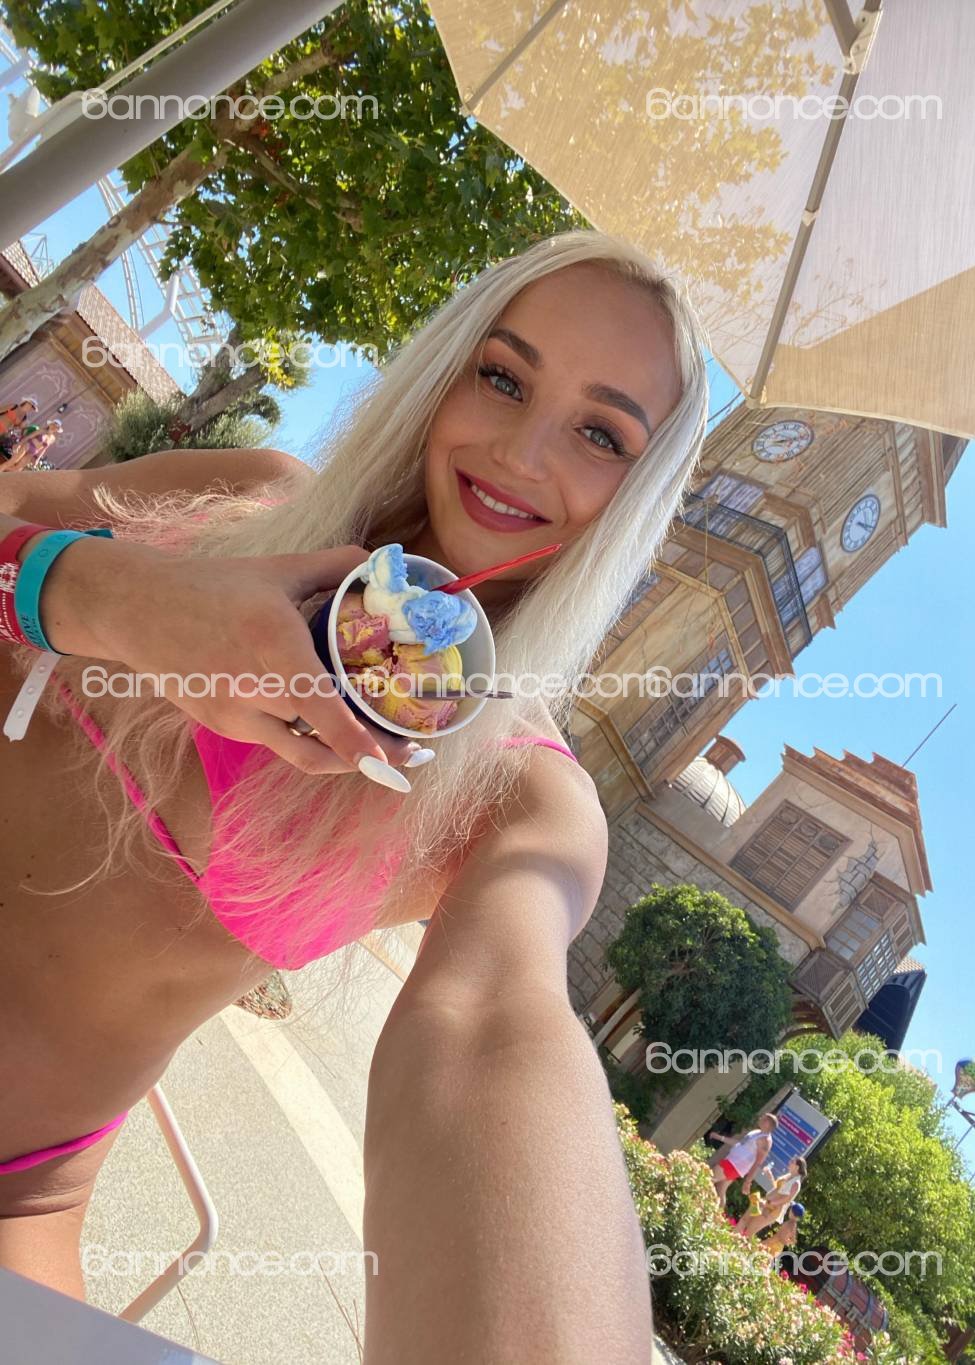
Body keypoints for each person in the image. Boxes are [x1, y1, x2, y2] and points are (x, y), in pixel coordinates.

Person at [0, 228, 709, 1362]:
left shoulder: (521, 797)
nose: (521, 451)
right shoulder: (246, 498)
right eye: (503, 376)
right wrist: (113, 596)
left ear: (638, 498)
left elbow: (492, 1025)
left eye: (600, 434)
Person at [709, 1113, 778, 1209]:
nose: (760, 1118)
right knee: (720, 1189)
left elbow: (757, 1162)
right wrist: (720, 1138)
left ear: (767, 1123)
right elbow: (739, 1144)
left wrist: (748, 1182)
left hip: (735, 1165)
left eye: (763, 1118)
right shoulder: (757, 1132)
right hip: (732, 1161)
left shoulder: (765, 1141)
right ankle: (717, 1214)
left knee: (709, 1177)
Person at [737, 1156, 806, 1237]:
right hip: (764, 1201)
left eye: (792, 1162)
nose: (789, 1162)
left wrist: (769, 1203)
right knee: (745, 1219)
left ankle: (737, 1242)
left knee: (750, 1229)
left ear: (797, 1167)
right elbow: (775, 1188)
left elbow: (786, 1199)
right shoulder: (788, 1175)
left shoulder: (796, 1183)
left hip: (772, 1209)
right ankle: (732, 1235)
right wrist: (770, 1176)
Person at [0, 397, 39, 466]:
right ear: (26, 403)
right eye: (31, 405)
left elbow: (19, 428)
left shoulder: (24, 417)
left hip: (2, 431)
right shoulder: (14, 406)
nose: (31, 408)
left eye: (33, 408)